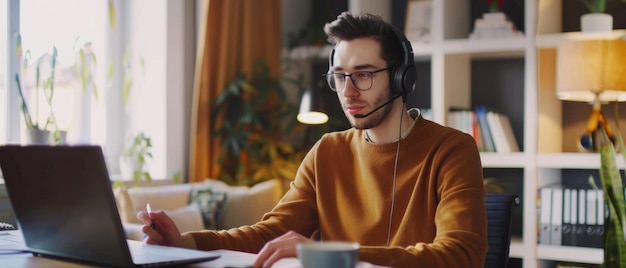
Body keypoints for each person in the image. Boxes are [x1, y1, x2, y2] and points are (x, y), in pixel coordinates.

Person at [138, 11, 488, 268]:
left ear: (401, 79)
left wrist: (330, 255)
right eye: (339, 77)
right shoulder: (328, 151)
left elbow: (460, 255)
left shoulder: (451, 149)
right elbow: (271, 233)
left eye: (363, 75)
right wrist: (186, 242)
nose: (348, 91)